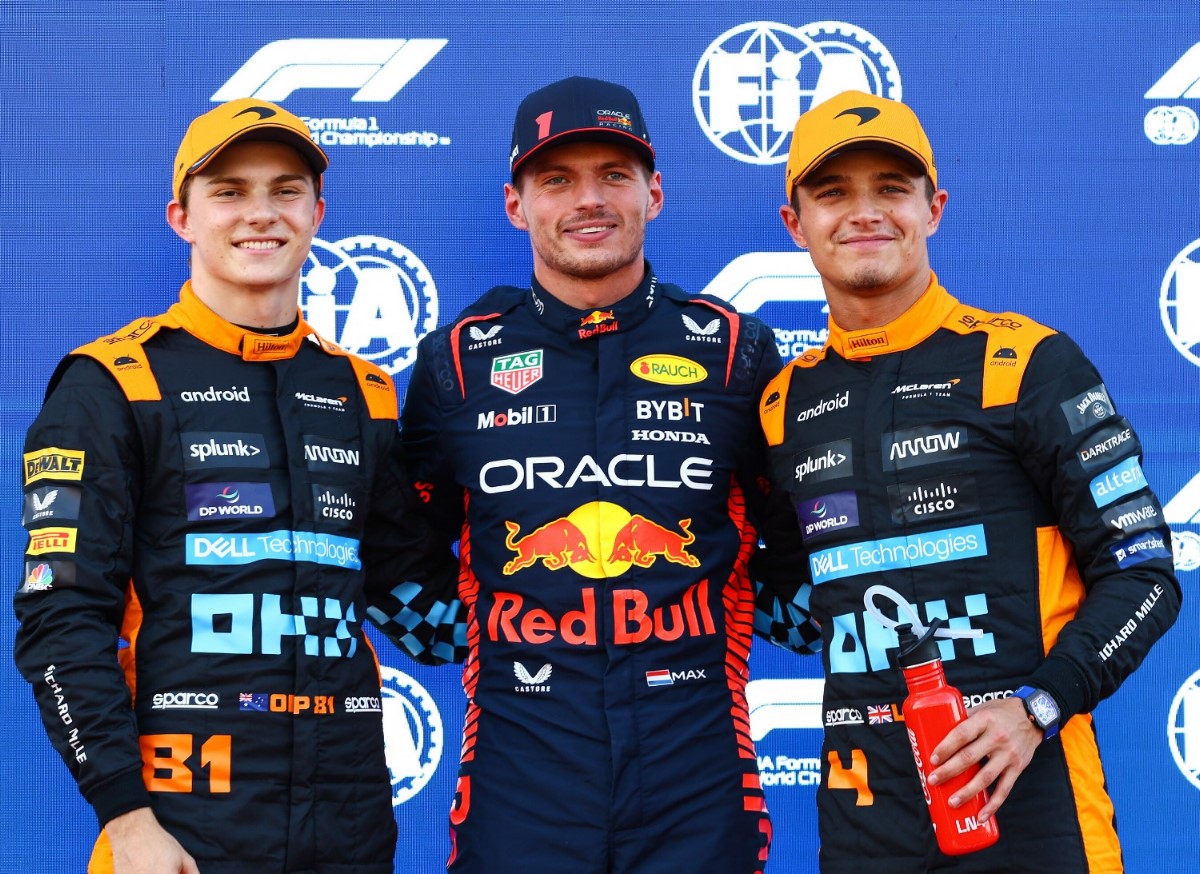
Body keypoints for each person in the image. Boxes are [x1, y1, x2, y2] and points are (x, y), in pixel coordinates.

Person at [14, 98, 462, 874]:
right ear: (181, 216)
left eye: (285, 190)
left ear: (318, 213)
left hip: (351, 827)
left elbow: (423, 611)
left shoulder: (364, 394)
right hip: (180, 832)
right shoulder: (112, 385)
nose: (262, 213)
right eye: (229, 190)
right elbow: (60, 625)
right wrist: (127, 819)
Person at [755, 89, 1181, 872]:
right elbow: (789, 597)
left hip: (1035, 805)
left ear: (934, 208)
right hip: (863, 821)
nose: (864, 213)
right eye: (832, 194)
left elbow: (1147, 575)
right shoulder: (784, 404)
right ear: (796, 224)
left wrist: (1036, 706)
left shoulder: (1025, 363)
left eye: (891, 188)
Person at [401, 76, 783, 873]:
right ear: (517, 204)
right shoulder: (455, 365)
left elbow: (797, 540)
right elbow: (403, 551)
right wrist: (508, 634)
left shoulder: (736, 350)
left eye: (614, 174)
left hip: (699, 773)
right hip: (520, 773)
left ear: (654, 192)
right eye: (557, 179)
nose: (589, 200)